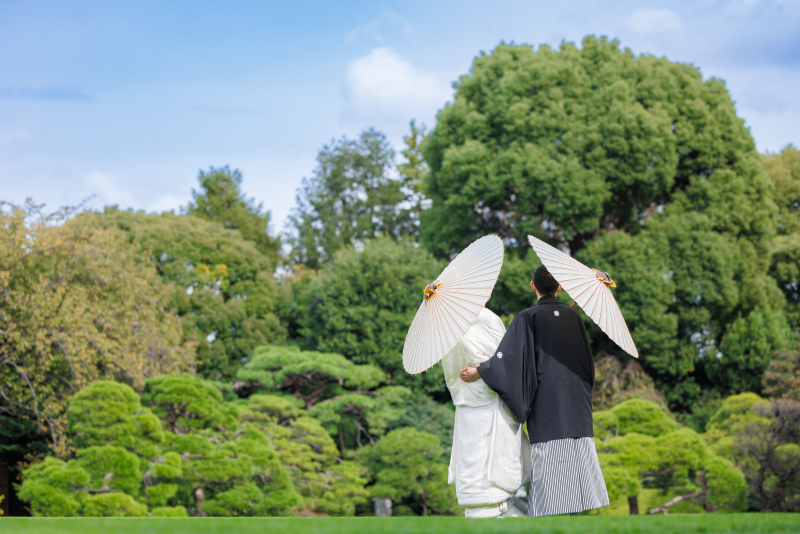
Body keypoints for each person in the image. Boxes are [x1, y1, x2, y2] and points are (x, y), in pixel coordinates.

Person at [459, 264, 609, 517]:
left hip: (547, 397)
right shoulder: (574, 317)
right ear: (560, 287)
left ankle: (548, 510)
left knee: (548, 454)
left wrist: (481, 371)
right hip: (576, 397)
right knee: (576, 450)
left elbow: (508, 358)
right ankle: (579, 510)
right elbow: (587, 362)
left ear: (533, 286)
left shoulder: (527, 317)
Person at [431, 283, 530, 518]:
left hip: (465, 399)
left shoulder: (448, 322)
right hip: (487, 398)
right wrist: (482, 371)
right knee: (487, 459)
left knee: (472, 456)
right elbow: (506, 360)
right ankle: (489, 510)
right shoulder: (487, 319)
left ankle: (478, 510)